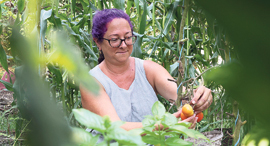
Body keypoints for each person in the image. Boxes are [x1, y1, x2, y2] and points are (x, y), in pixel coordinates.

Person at [80, 8, 213, 132]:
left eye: (128, 37)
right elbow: (116, 129)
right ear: (98, 42)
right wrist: (166, 125)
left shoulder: (148, 69)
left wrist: (199, 98)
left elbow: (181, 96)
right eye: (114, 40)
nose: (123, 45)